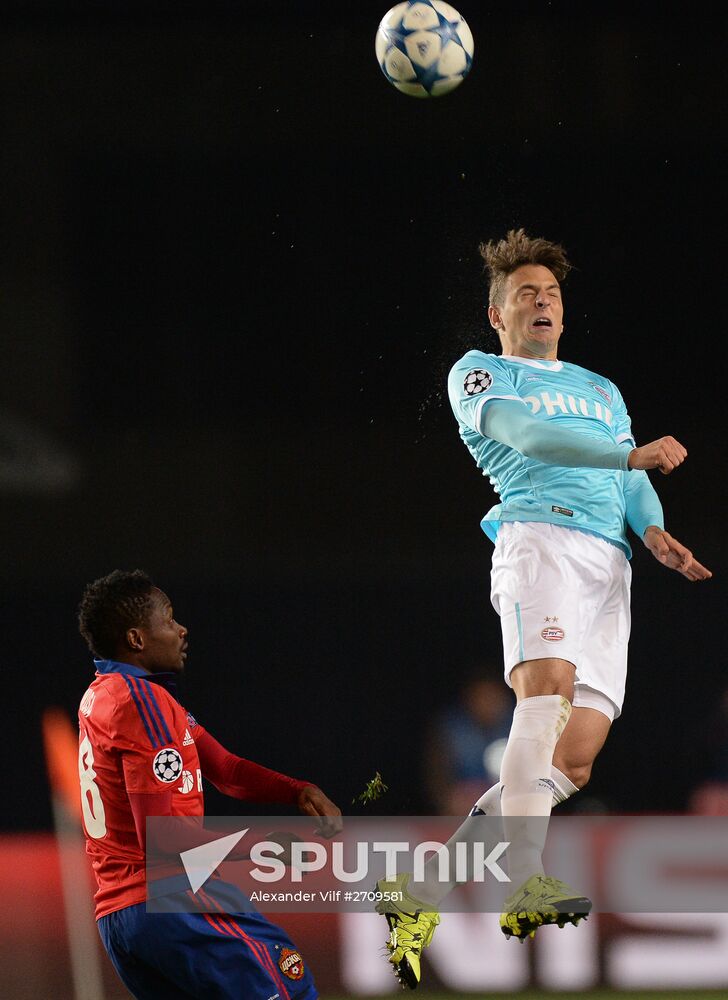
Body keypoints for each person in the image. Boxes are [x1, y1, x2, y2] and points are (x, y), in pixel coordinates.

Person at [375, 228, 712, 988]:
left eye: (552, 294)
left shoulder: (601, 389)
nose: (542, 303)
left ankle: (416, 892)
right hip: (542, 539)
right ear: (497, 315)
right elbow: (527, 434)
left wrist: (653, 529)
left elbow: (631, 482)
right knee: (545, 696)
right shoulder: (480, 374)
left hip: (610, 565)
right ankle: (523, 879)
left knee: (574, 760)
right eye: (526, 294)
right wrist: (628, 457)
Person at [76, 568, 342, 1000]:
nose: (181, 630)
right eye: (168, 620)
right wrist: (259, 848)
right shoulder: (142, 703)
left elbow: (227, 770)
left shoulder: (106, 696)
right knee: (288, 985)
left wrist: (296, 789)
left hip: (122, 919)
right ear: (136, 639)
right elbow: (163, 844)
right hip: (173, 902)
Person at [425, 667, 512, 815]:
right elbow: (437, 776)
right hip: (464, 805)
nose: (487, 703)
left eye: (491, 697)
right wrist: (446, 800)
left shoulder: (519, 725)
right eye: (481, 697)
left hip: (510, 802)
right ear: (469, 698)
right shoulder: (452, 729)